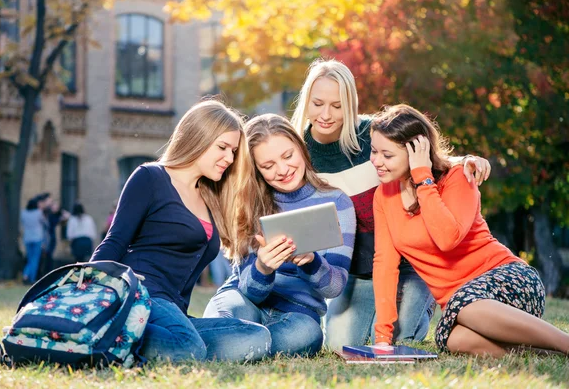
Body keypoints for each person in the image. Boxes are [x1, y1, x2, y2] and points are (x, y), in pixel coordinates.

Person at [290, 59, 492, 349]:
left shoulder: (372, 135)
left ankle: (422, 300)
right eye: (318, 103)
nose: (326, 114)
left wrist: (466, 160)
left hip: (408, 263)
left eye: (337, 106)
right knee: (342, 344)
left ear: (351, 103)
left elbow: (424, 158)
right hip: (355, 270)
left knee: (399, 338)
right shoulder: (296, 154)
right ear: (306, 101)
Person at [370, 104, 569, 356]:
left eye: (387, 155)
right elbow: (385, 264)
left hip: (509, 281)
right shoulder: (383, 196)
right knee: (453, 339)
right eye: (374, 151)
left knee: (463, 303)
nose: (376, 161)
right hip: (461, 307)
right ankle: (542, 352)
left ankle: (565, 343)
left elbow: (446, 239)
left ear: (416, 152)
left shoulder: (458, 177)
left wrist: (423, 179)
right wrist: (383, 337)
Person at [90, 100, 271, 363]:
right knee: (188, 348)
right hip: (141, 294)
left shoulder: (211, 196)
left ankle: (167, 345)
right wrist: (91, 295)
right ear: (198, 137)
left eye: (233, 151)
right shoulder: (151, 177)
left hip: (173, 311)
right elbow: (115, 241)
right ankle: (103, 336)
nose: (229, 159)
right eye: (222, 148)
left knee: (257, 336)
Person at [203, 114, 356, 357]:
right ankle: (239, 342)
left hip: (299, 311)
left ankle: (231, 343)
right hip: (244, 299)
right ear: (256, 170)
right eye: (268, 165)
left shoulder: (337, 203)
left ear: (301, 149)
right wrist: (263, 267)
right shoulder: (248, 203)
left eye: (288, 156)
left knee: (306, 336)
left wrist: (311, 262)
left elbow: (334, 287)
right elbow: (250, 292)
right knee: (231, 315)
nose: (283, 170)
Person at [40, 200, 70, 277]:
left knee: (50, 255)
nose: (55, 208)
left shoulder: (56, 215)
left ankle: (48, 272)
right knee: (47, 255)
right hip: (47, 237)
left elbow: (67, 215)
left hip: (52, 237)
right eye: (54, 206)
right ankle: (45, 272)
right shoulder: (50, 216)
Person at [20, 198, 46, 284]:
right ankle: (31, 278)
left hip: (27, 238)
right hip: (37, 238)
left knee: (30, 258)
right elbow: (44, 221)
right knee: (35, 259)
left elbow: (22, 223)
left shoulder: (23, 213)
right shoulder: (38, 212)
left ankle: (25, 274)